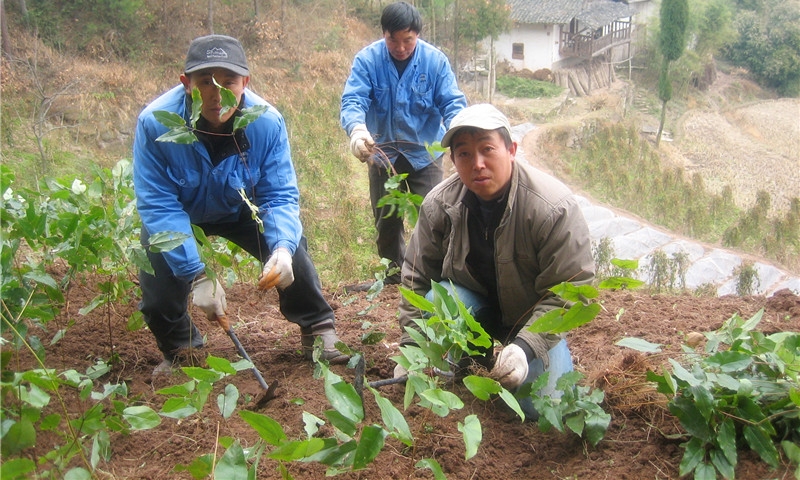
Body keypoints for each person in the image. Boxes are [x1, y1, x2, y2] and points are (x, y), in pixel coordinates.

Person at [133, 34, 349, 375]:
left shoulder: (266, 123)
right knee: (158, 286)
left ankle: (318, 328)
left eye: (228, 81)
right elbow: (158, 204)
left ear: (245, 82)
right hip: (180, 214)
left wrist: (280, 248)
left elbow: (278, 195)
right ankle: (180, 349)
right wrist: (196, 274)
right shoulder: (156, 123)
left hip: (240, 209)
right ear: (185, 83)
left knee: (294, 256)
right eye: (205, 82)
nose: (217, 94)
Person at [394, 104, 596, 418]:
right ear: (453, 160)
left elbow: (573, 291)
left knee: (538, 408)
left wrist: (525, 347)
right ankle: (470, 358)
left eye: (487, 149)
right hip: (474, 308)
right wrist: (410, 345)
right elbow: (416, 277)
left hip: (533, 320)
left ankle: (519, 357)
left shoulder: (552, 208)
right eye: (464, 154)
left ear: (511, 149)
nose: (478, 164)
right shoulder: (439, 204)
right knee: (439, 299)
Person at [340, 1, 467, 290]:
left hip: (425, 154)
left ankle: (436, 277)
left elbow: (452, 103)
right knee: (387, 219)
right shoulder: (367, 60)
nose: (400, 47)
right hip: (383, 153)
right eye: (392, 40)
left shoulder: (435, 62)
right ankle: (394, 275)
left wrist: (460, 134)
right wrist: (357, 130)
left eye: (407, 40)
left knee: (436, 215)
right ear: (384, 34)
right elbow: (353, 100)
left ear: (417, 35)